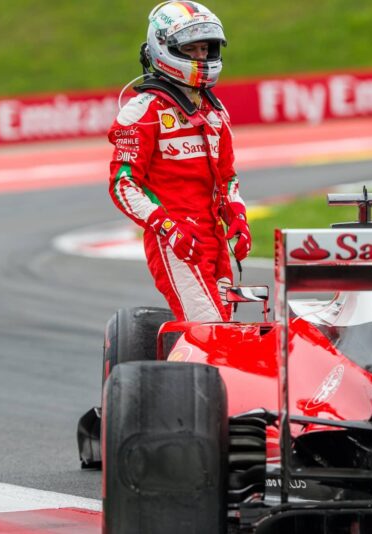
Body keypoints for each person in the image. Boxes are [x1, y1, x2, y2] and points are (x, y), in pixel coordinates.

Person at [107, 0, 250, 323]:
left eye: (206, 49)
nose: (201, 57)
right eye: (191, 49)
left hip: (214, 240)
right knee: (209, 331)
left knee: (229, 329)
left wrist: (238, 215)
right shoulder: (142, 111)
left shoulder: (215, 111)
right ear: (164, 49)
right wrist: (166, 226)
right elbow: (123, 184)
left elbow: (227, 178)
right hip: (176, 243)